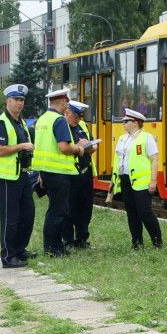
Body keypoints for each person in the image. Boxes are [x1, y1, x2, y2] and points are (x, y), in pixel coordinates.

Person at [31, 88, 84, 258]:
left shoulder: (42, 120)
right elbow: (64, 147)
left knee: (54, 210)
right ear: (61, 102)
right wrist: (78, 149)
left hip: (46, 172)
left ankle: (52, 247)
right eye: (66, 103)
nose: (67, 106)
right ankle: (53, 249)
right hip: (59, 172)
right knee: (59, 211)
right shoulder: (59, 120)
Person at [0, 84, 36, 268]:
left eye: (22, 100)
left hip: (22, 175)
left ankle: (20, 249)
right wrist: (22, 147)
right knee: (11, 217)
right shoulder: (2, 123)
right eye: (16, 100)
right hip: (7, 177)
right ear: (8, 101)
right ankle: (8, 256)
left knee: (28, 213)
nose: (19, 103)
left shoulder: (20, 122)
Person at [115, 107, 163, 249]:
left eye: (126, 121)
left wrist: (153, 181)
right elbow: (117, 160)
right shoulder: (122, 138)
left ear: (135, 123)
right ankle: (136, 243)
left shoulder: (146, 138)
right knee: (131, 213)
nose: (123, 123)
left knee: (145, 212)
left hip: (142, 182)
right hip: (125, 179)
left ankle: (157, 242)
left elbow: (154, 159)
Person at [66, 101, 99, 249]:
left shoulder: (82, 126)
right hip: (71, 173)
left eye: (79, 116)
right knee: (69, 208)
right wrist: (79, 147)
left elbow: (93, 144)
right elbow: (64, 148)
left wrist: (90, 146)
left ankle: (82, 239)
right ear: (67, 112)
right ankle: (68, 240)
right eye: (75, 116)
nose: (77, 119)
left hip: (85, 172)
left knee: (85, 208)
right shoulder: (63, 127)